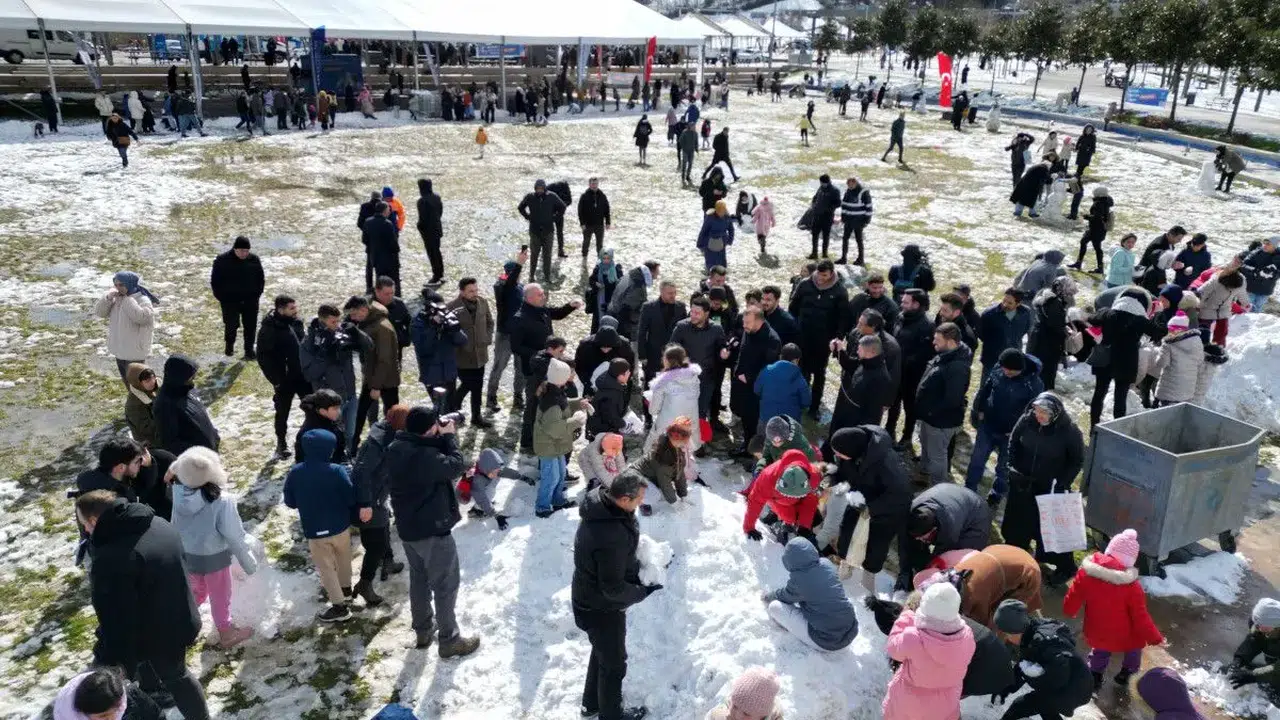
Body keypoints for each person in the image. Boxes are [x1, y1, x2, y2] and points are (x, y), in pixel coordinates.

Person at [74, 491, 208, 720]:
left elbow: (115, 616)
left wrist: (112, 656)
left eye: (84, 524)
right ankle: (155, 689)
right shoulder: (157, 523)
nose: (85, 531)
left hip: (155, 633)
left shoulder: (112, 557)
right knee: (174, 674)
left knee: (177, 677)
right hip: (180, 613)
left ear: (94, 520)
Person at [383, 405, 481, 657]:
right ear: (428, 431)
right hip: (432, 531)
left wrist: (438, 435)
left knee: (419, 579)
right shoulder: (424, 457)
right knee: (445, 584)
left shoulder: (397, 447)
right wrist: (449, 436)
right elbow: (455, 465)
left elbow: (431, 455)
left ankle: (424, 629)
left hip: (409, 528)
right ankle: (449, 639)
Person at [571, 470, 660, 720]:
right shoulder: (609, 535)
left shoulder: (603, 507)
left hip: (588, 598)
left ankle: (592, 705)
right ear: (623, 499)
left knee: (602, 652)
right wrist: (643, 591)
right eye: (638, 498)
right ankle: (611, 716)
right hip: (600, 608)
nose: (641, 502)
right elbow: (613, 589)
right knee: (614, 664)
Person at [168, 447, 257, 649]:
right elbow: (234, 535)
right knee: (220, 596)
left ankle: (180, 625)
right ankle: (226, 633)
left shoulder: (178, 494)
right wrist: (248, 563)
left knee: (195, 591)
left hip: (187, 554)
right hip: (214, 557)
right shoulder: (222, 501)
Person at [1062, 528, 1164, 689]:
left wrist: (1070, 610)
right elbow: (1140, 617)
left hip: (1097, 627)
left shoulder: (1087, 573)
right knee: (1135, 646)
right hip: (1126, 632)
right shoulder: (1132, 586)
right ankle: (1127, 674)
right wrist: (1155, 637)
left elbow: (1074, 594)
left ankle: (1095, 675)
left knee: (1100, 648)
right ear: (1131, 561)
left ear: (1109, 550)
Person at [1004, 392, 1084, 587]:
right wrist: (1013, 465)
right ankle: (1017, 554)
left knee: (1050, 527)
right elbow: (1013, 442)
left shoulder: (1069, 432)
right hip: (1023, 482)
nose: (1039, 416)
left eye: (1044, 413)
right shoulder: (1026, 420)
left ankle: (1064, 567)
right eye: (1037, 411)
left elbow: (1076, 460)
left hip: (1049, 486)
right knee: (1019, 521)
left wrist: (1063, 481)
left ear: (1055, 414)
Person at [827, 425, 911, 592]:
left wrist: (868, 507)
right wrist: (833, 481)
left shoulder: (886, 463)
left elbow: (899, 497)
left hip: (884, 512)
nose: (837, 455)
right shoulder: (849, 450)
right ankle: (845, 562)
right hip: (857, 499)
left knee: (876, 546)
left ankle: (868, 578)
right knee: (847, 533)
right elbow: (841, 471)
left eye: (839, 452)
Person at [882, 582, 975, 720]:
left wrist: (906, 616)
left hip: (909, 704)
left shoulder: (913, 637)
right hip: (944, 706)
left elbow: (893, 648)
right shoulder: (967, 637)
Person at [992, 599, 1094, 720]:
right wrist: (1005, 689)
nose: (1007, 638)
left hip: (1072, 689)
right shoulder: (1032, 631)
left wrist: (1037, 673)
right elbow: (1023, 666)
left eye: (1007, 634)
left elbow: (1059, 676)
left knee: (1021, 706)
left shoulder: (1043, 642)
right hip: (1078, 682)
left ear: (1015, 631)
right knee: (1044, 707)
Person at [966, 349, 1042, 507]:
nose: (1005, 372)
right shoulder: (999, 368)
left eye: (1010, 370)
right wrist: (979, 409)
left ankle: (996, 494)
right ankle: (969, 490)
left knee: (1004, 468)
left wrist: (1018, 430)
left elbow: (1033, 413)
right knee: (977, 460)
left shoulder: (1034, 384)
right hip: (988, 426)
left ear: (1020, 368)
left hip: (1010, 434)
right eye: (1004, 368)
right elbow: (986, 388)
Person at [350, 404, 408, 604]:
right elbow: (361, 474)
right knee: (374, 545)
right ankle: (364, 584)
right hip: (368, 501)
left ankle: (388, 562)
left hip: (377, 497)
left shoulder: (388, 435)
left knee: (383, 530)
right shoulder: (375, 444)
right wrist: (366, 503)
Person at [763, 536, 858, 652]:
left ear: (789, 560)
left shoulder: (800, 580)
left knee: (774, 607)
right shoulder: (827, 564)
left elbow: (785, 596)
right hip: (850, 631)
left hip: (827, 641)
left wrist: (768, 597)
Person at [300, 304, 370, 447]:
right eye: (333, 322)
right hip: (329, 403)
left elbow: (369, 346)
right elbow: (309, 374)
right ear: (322, 320)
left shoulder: (341, 333)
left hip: (350, 395)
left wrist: (356, 333)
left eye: (338, 321)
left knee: (351, 435)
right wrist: (326, 355)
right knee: (332, 439)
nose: (337, 325)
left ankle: (350, 459)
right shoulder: (309, 342)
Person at [901, 484, 991, 591]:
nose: (919, 539)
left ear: (934, 529)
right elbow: (905, 544)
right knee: (915, 549)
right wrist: (905, 573)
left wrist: (928, 578)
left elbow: (940, 559)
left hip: (977, 516)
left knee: (956, 565)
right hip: (952, 497)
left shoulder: (950, 527)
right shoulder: (911, 511)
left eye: (923, 538)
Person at [914, 323, 973, 485]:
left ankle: (938, 487)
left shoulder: (958, 367)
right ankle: (924, 473)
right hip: (929, 417)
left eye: (938, 340)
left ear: (951, 342)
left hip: (940, 421)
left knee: (937, 456)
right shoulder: (946, 355)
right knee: (926, 448)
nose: (934, 343)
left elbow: (952, 400)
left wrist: (931, 412)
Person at [1087, 291, 1158, 427]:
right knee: (1120, 398)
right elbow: (1158, 332)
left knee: (1099, 394)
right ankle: (1117, 428)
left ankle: (1093, 427)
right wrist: (1158, 313)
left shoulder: (1108, 312)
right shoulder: (1140, 320)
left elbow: (1091, 319)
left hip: (1105, 359)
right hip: (1126, 362)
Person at [534, 358, 589, 517]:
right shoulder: (551, 402)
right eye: (569, 373)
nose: (572, 374)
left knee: (559, 475)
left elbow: (564, 406)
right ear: (560, 377)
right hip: (548, 445)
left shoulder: (556, 391)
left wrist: (578, 403)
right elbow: (555, 428)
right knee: (550, 477)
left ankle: (557, 500)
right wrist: (576, 421)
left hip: (556, 444)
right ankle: (542, 506)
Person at [256, 295, 310, 457]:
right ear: (281, 310)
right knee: (282, 412)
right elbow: (263, 357)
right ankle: (281, 443)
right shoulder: (269, 329)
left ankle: (309, 440)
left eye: (295, 307)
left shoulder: (297, 323)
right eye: (292, 308)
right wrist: (276, 380)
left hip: (302, 376)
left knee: (312, 409)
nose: (296, 311)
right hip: (284, 380)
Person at [887, 290, 935, 449]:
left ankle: (907, 437)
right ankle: (889, 430)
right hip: (896, 371)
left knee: (910, 408)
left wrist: (907, 362)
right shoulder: (900, 317)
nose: (902, 304)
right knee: (893, 403)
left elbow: (926, 353)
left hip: (912, 376)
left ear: (916, 304)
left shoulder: (927, 326)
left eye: (906, 302)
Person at [730, 307, 781, 454]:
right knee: (745, 418)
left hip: (758, 388)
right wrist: (737, 371)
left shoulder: (772, 340)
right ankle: (747, 446)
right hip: (742, 382)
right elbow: (742, 352)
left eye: (747, 322)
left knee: (754, 421)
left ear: (759, 321)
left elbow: (769, 368)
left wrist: (749, 377)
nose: (744, 325)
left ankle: (753, 451)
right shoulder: (749, 331)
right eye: (744, 322)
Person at [744, 448, 821, 543]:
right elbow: (755, 502)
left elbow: (810, 501)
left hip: (801, 499)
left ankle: (792, 522)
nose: (792, 497)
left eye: (796, 495)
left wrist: (804, 526)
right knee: (789, 517)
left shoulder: (813, 477)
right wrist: (749, 527)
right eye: (787, 494)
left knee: (816, 519)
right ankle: (780, 521)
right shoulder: (767, 478)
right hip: (778, 500)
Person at [151, 354, 219, 456]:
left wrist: (213, 434)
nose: (193, 379)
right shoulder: (164, 405)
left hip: (209, 452)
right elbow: (170, 443)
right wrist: (200, 453)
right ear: (178, 377)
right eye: (190, 377)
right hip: (198, 459)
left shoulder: (186, 388)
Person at [96, 271, 158, 382]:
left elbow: (143, 318)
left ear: (130, 284)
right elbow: (100, 313)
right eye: (116, 285)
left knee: (139, 384)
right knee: (127, 383)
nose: (118, 288)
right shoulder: (116, 299)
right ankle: (133, 399)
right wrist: (108, 298)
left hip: (135, 352)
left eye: (121, 285)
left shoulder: (142, 299)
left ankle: (148, 400)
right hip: (120, 350)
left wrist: (128, 300)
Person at [209, 236, 265, 359]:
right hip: (230, 302)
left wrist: (256, 294)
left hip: (250, 301)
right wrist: (222, 297)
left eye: (246, 251)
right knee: (231, 325)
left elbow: (261, 279)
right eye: (241, 251)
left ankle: (249, 350)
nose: (244, 254)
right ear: (235, 249)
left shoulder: (254, 260)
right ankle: (229, 345)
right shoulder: (222, 260)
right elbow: (215, 282)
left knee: (250, 326)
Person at [411, 290, 468, 402]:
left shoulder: (446, 318)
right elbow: (424, 349)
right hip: (432, 375)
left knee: (451, 408)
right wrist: (433, 327)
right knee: (439, 410)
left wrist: (452, 328)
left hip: (449, 373)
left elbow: (463, 341)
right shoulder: (418, 323)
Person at [488, 254, 528, 413]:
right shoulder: (502, 286)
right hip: (505, 334)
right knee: (499, 366)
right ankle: (491, 397)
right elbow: (510, 283)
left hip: (520, 334)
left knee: (520, 368)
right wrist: (519, 264)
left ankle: (518, 396)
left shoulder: (520, 287)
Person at [52, 666, 162, 720]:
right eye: (103, 717)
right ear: (82, 713)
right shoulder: (66, 715)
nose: (113, 718)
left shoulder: (130, 695)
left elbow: (156, 716)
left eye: (117, 710)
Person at [1027, 275, 1077, 390]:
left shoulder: (1045, 295)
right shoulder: (1054, 303)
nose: (1070, 296)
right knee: (1046, 375)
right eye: (1069, 292)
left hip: (1038, 339)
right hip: (1048, 345)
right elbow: (1056, 325)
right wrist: (1066, 332)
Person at [637, 281, 689, 385]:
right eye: (670, 293)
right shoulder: (648, 307)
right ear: (661, 292)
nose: (673, 296)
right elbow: (642, 332)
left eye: (675, 292)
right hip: (653, 356)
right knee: (651, 386)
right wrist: (642, 355)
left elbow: (685, 332)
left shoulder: (681, 307)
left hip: (674, 356)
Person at [518, 179, 568, 283]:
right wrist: (527, 217)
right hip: (535, 231)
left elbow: (562, 207)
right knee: (534, 255)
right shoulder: (530, 197)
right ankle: (531, 276)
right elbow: (520, 207)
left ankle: (547, 277)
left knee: (547, 255)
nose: (539, 190)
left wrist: (554, 218)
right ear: (535, 188)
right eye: (537, 188)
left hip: (548, 231)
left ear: (545, 188)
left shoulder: (552, 196)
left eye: (541, 188)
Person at [1228, 598, 1280, 695]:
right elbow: (1254, 640)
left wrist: (1254, 675)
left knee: (1275, 691)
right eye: (1257, 625)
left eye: (1264, 627)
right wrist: (1239, 659)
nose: (1259, 629)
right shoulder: (1259, 622)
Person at [754, 343, 809, 432]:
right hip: (789, 424)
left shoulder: (766, 370)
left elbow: (756, 390)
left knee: (763, 443)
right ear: (796, 360)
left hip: (766, 420)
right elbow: (806, 402)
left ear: (780, 356)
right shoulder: (800, 379)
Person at [1152, 312, 1204, 406]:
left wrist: (1158, 355)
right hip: (1187, 389)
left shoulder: (1168, 344)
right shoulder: (1197, 342)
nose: (1168, 332)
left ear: (1175, 329)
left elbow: (1162, 363)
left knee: (1164, 413)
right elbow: (1200, 361)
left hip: (1169, 389)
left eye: (1170, 329)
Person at [1198, 266, 1250, 346]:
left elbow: (1242, 294)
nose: (1231, 289)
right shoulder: (1215, 280)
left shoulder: (1241, 283)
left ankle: (1219, 348)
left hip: (1224, 309)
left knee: (1221, 332)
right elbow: (1203, 292)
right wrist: (1199, 305)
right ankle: (1202, 346)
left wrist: (1246, 303)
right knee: (1204, 330)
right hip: (1207, 307)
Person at [704, 667, 783, 720]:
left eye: (746, 713)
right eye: (735, 706)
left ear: (761, 716)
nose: (738, 716)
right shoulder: (723, 714)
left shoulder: (774, 716)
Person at [1069, 186, 1114, 273]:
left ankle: (1085, 264)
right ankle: (1094, 266)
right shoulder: (1106, 201)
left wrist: (1085, 216)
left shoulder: (1099, 203)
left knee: (1093, 246)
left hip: (1095, 229)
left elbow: (1096, 218)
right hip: (1100, 229)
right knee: (1091, 245)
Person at [609, 262, 658, 341]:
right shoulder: (637, 284)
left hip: (616, 313)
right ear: (651, 272)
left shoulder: (631, 275)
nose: (656, 277)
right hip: (626, 324)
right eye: (656, 273)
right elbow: (631, 306)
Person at [363, 202, 401, 297]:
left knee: (380, 280)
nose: (389, 211)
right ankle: (394, 298)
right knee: (392, 280)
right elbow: (393, 243)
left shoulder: (368, 222)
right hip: (389, 258)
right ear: (384, 211)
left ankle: (380, 297)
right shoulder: (387, 224)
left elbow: (364, 239)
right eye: (388, 209)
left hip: (375, 257)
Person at [587, 358, 631, 439]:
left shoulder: (610, 381)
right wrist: (624, 424)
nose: (629, 374)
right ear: (620, 376)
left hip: (604, 426)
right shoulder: (611, 394)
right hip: (603, 432)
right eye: (627, 373)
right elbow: (611, 416)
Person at [123, 363, 160, 448]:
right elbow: (147, 428)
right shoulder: (134, 405)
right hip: (150, 441)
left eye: (152, 377)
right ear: (138, 383)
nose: (152, 382)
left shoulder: (156, 386)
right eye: (147, 381)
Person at [416, 178, 445, 285]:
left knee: (432, 253)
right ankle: (440, 273)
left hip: (428, 231)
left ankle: (436, 275)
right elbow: (440, 212)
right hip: (437, 228)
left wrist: (419, 227)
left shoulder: (422, 201)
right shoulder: (437, 197)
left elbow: (422, 219)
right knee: (437, 251)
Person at [838, 177, 872, 266]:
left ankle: (861, 259)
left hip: (859, 220)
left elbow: (869, 207)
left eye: (851, 184)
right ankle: (843, 258)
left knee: (859, 240)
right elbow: (844, 205)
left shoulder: (863, 192)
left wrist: (867, 220)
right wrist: (843, 217)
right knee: (845, 238)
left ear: (855, 183)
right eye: (848, 185)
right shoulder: (848, 191)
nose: (849, 186)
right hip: (848, 220)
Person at [807, 174, 842, 260]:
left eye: (824, 183)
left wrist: (828, 208)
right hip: (817, 215)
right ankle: (814, 253)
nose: (822, 184)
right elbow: (815, 197)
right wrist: (814, 205)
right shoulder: (820, 188)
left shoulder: (835, 190)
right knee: (814, 235)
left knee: (826, 236)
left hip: (827, 217)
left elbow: (838, 203)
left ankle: (824, 254)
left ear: (828, 181)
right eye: (821, 183)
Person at [1240, 236, 1280, 311]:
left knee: (1257, 310)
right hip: (1250, 288)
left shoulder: (1279, 256)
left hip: (1265, 290)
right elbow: (1243, 266)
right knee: (1245, 311)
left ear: (1274, 246)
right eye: (1264, 243)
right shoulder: (1256, 252)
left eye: (1268, 244)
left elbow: (1278, 273)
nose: (1264, 245)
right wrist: (1256, 272)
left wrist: (1272, 274)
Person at [578, 178, 612, 260]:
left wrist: (608, 222)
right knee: (586, 242)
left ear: (598, 184)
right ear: (589, 184)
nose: (594, 185)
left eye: (596, 183)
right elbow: (580, 211)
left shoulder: (602, 196)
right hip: (587, 225)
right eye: (592, 184)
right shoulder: (584, 196)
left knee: (599, 244)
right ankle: (584, 256)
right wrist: (582, 223)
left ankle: (599, 259)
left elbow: (607, 209)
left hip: (599, 224)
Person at [697, 201, 736, 271]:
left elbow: (731, 230)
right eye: (719, 211)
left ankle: (722, 276)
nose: (721, 213)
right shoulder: (710, 218)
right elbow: (703, 231)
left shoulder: (727, 218)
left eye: (723, 211)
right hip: (709, 242)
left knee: (721, 262)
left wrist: (730, 240)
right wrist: (700, 244)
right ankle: (710, 274)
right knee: (710, 262)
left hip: (722, 242)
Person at [678, 120, 699, 188]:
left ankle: (688, 176)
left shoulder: (695, 133)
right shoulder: (685, 132)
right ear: (690, 127)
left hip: (691, 151)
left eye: (694, 126)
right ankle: (683, 176)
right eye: (693, 126)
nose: (694, 127)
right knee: (684, 164)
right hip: (685, 151)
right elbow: (680, 140)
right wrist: (683, 147)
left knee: (690, 164)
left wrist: (696, 148)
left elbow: (696, 142)